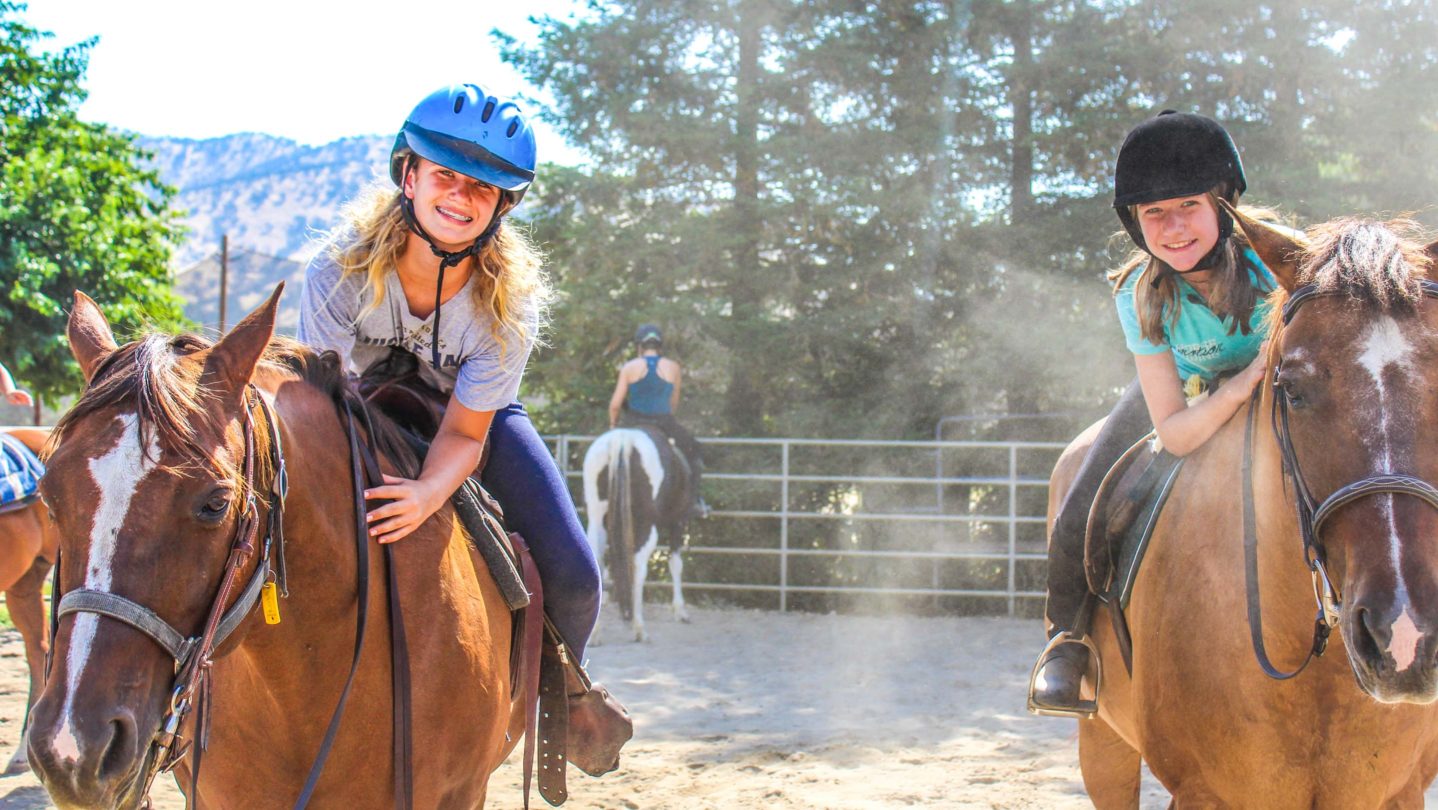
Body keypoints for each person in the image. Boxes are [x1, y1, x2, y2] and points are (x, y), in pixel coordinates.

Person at [297, 82, 604, 667]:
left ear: (502, 205)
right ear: (409, 176)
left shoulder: (511, 305)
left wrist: (426, 494)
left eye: (482, 186)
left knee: (575, 576)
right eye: (445, 175)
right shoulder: (337, 268)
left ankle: (564, 692)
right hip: (355, 406)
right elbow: (321, 399)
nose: (461, 195)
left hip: (475, 417)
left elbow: (465, 433)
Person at [1028, 111, 1285, 716]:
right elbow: (1173, 432)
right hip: (1186, 398)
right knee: (1083, 499)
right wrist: (1238, 387)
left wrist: (1259, 385)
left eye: (1188, 205)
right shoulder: (1137, 292)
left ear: (1222, 203)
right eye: (1153, 213)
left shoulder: (1277, 263)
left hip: (1282, 393)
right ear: (1134, 222)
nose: (1172, 227)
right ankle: (1068, 643)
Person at [608, 324, 708, 518]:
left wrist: (613, 425)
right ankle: (695, 501)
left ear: (639, 346)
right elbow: (673, 402)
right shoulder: (673, 368)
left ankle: (603, 500)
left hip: (633, 423)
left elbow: (615, 405)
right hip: (663, 423)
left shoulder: (629, 367)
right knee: (694, 451)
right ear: (660, 346)